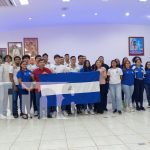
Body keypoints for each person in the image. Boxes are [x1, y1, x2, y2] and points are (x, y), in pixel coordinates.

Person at [2, 55, 14, 119]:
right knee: (5, 99)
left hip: (11, 84)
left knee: (11, 99)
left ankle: (12, 113)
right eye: (7, 58)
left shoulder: (12, 66)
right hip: (4, 84)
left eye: (9, 58)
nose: (8, 59)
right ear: (5, 59)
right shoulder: (2, 66)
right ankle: (4, 113)